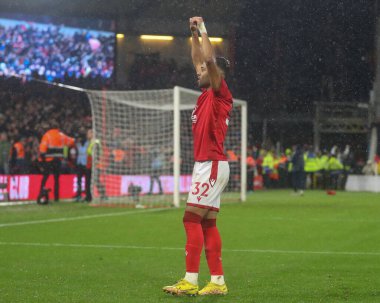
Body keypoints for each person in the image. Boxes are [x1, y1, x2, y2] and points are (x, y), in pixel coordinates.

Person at [163, 16, 232, 296]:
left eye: (204, 69)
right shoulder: (205, 92)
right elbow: (198, 59)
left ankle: (190, 280)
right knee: (206, 223)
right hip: (210, 164)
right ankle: (217, 282)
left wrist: (204, 30)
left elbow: (208, 59)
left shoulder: (219, 92)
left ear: (216, 72)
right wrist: (192, 35)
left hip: (211, 164)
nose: (198, 70)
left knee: (190, 220)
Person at [38, 121, 75, 202]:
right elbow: (72, 141)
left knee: (45, 177)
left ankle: (40, 194)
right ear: (58, 128)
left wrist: (42, 160)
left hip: (48, 160)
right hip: (58, 160)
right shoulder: (61, 135)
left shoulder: (47, 135)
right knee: (56, 179)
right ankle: (56, 197)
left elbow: (42, 149)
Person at [75, 131, 90, 201]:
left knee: (87, 180)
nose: (78, 139)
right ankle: (78, 194)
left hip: (86, 163)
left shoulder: (88, 143)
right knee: (79, 180)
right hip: (79, 163)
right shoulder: (77, 144)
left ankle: (87, 194)